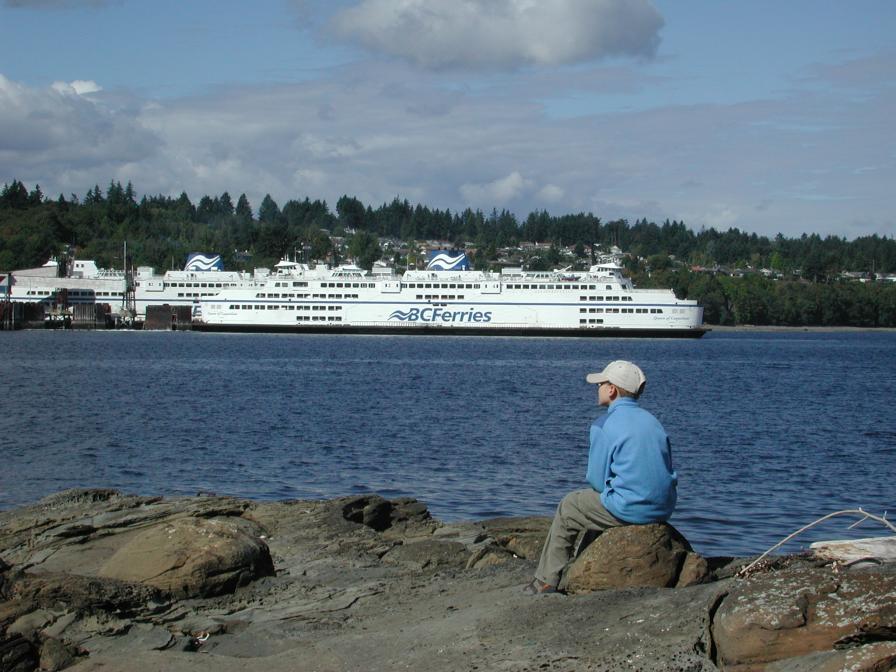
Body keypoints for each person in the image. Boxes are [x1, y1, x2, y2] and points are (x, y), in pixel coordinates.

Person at [524, 360, 677, 594]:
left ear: (612, 390)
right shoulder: (653, 422)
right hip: (664, 507)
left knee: (570, 506)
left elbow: (596, 480)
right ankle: (583, 559)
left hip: (633, 508)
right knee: (603, 501)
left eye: (601, 383)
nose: (598, 388)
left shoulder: (603, 425)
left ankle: (546, 579)